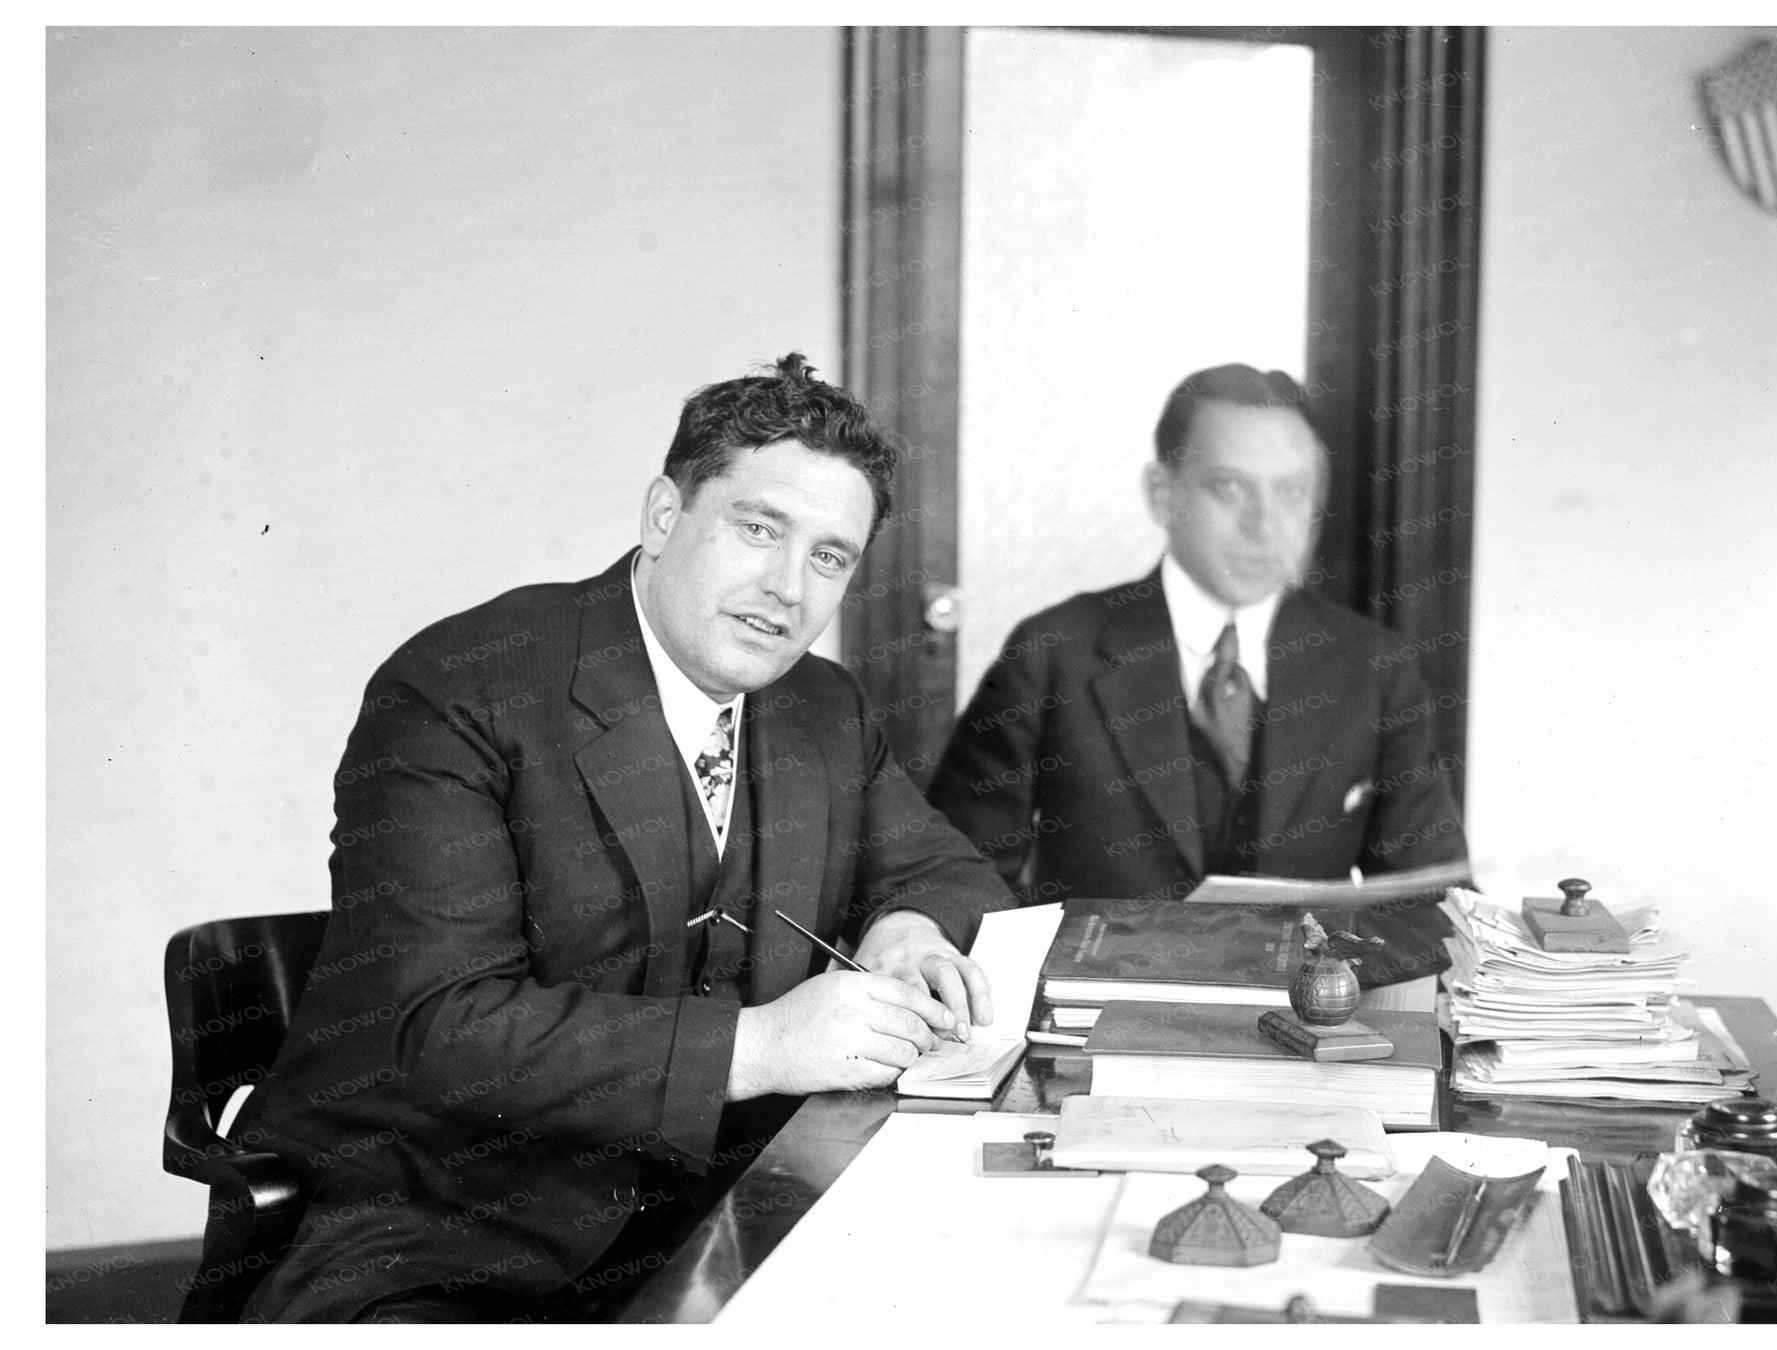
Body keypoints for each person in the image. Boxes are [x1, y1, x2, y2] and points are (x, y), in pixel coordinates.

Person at [236, 354, 1013, 1322]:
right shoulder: (461, 689)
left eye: (828, 557)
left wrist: (910, 927)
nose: (786, 589)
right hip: (452, 1233)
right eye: (758, 529)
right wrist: (760, 1045)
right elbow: (441, 1029)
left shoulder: (821, 706)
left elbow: (948, 870)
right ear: (661, 516)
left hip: (722, 1217)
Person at [927, 363, 1467, 935]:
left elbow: (1429, 899)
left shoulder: (1375, 668)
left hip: (1300, 1015)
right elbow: (958, 876)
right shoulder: (1053, 654)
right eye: (1229, 487)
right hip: (1095, 1011)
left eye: (1290, 491)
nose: (1263, 525)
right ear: (1162, 495)